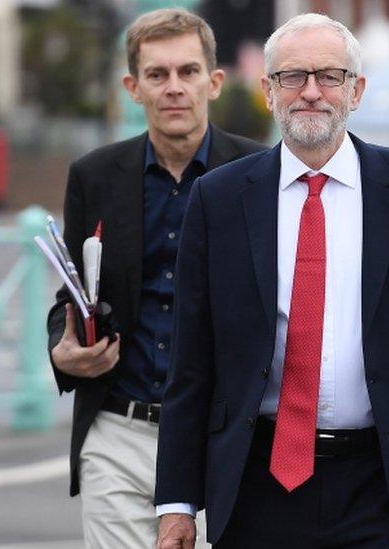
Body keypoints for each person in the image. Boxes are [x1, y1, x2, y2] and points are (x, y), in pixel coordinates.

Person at [153, 13, 389, 549]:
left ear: (356, 91)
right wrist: (176, 503)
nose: (311, 92)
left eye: (330, 77)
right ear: (268, 91)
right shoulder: (218, 200)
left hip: (383, 482)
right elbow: (192, 359)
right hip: (256, 483)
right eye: (292, 77)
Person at [44, 8, 265, 547]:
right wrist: (61, 349)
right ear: (132, 87)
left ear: (214, 82)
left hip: (222, 434)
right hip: (118, 430)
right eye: (156, 75)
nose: (173, 88)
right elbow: (73, 293)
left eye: (188, 72)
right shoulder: (94, 175)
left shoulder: (261, 173)